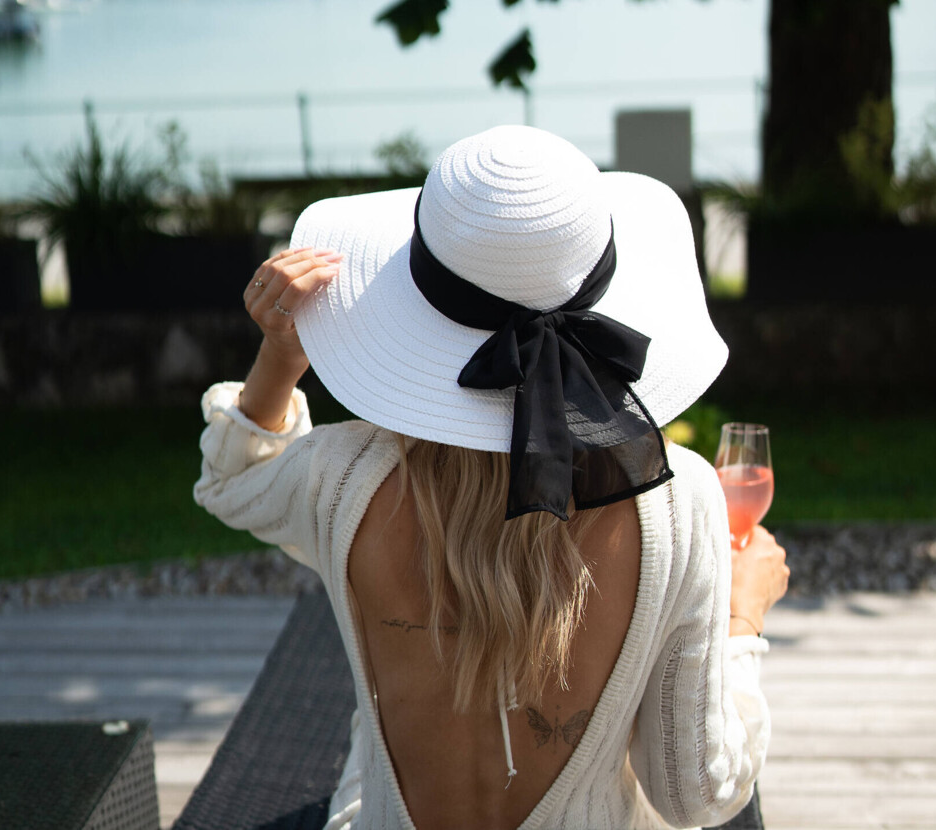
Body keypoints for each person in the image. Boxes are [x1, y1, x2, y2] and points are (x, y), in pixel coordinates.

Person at [194, 125, 789, 830]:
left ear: (419, 309)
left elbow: (234, 482)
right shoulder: (676, 498)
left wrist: (282, 358)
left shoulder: (344, 477)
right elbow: (697, 794)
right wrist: (741, 617)